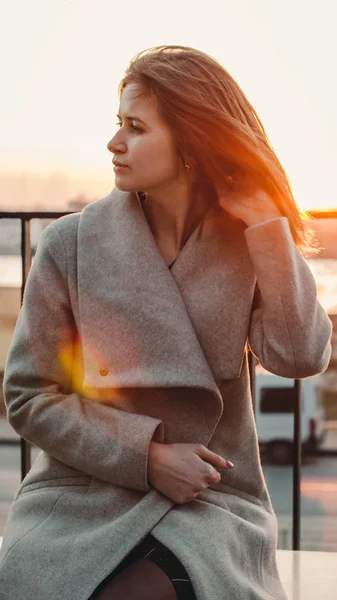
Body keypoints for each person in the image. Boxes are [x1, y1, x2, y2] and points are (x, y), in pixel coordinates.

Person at [0, 45, 332, 600]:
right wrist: (147, 458)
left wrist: (269, 228)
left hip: (212, 501)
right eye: (118, 123)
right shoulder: (70, 244)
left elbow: (299, 357)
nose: (113, 143)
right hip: (85, 492)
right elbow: (29, 396)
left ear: (192, 147)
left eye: (135, 127)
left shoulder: (246, 246)